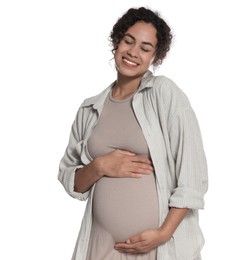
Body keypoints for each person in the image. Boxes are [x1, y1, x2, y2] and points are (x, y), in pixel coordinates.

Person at [58, 6, 208, 260]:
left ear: (155, 57)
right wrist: (100, 166)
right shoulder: (89, 108)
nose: (133, 52)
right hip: (100, 244)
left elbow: (192, 176)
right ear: (116, 42)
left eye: (145, 48)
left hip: (158, 248)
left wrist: (163, 233)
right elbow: (71, 179)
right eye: (128, 41)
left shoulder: (163, 93)